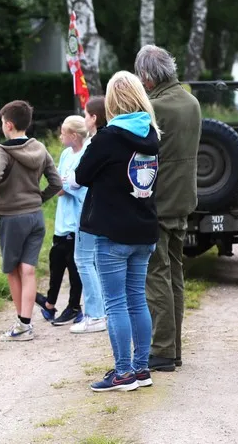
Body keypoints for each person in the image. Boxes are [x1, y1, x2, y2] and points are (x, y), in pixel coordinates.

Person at [75, 71, 161, 392]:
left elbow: (82, 175)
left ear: (112, 101)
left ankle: (123, 373)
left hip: (112, 232)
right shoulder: (152, 135)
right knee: (137, 300)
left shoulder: (108, 137)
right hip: (144, 227)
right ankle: (142, 368)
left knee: (115, 303)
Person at [134, 45, 202, 372]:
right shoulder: (192, 102)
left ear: (147, 76)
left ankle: (161, 351)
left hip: (158, 203)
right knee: (174, 273)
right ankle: (172, 349)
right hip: (183, 200)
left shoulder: (154, 108)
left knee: (156, 275)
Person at [0, 100, 62, 341]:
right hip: (35, 217)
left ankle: (21, 325)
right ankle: (27, 323)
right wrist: (39, 198)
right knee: (28, 269)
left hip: (11, 218)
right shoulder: (39, 148)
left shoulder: (4, 151)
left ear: (8, 125)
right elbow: (57, 183)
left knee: (12, 271)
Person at [36, 116, 88, 327]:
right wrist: (65, 185)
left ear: (73, 135)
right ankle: (50, 303)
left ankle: (75, 307)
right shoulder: (66, 154)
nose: (60, 136)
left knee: (74, 265)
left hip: (77, 220)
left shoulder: (86, 155)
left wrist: (65, 185)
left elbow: (81, 187)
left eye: (63, 133)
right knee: (55, 259)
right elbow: (59, 185)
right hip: (62, 218)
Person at [68, 96, 109, 335]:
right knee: (97, 261)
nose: (84, 119)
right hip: (104, 210)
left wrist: (70, 179)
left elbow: (78, 178)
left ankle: (95, 314)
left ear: (94, 118)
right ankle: (101, 311)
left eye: (86, 115)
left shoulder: (95, 143)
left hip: (89, 209)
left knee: (84, 260)